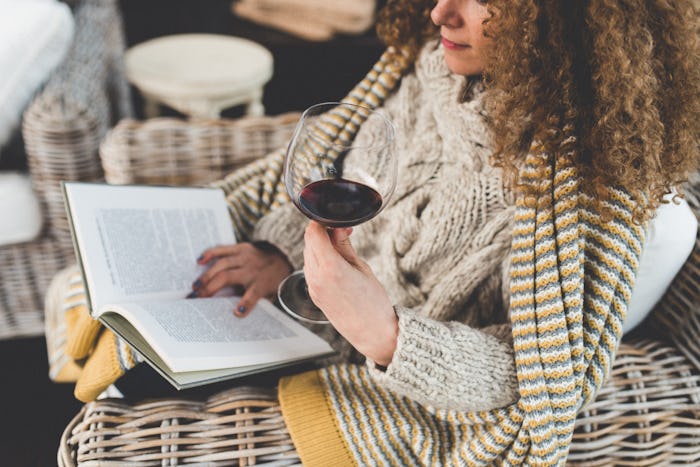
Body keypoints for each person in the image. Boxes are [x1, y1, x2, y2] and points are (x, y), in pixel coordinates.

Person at [57, 0, 699, 464]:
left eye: (483, 2)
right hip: (305, 311)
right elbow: (344, 170)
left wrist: (389, 335)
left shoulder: (590, 188)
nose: (441, 14)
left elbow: (531, 381)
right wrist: (282, 252)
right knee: (130, 345)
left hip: (383, 364)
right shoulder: (435, 71)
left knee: (132, 393)